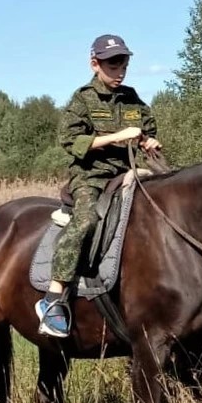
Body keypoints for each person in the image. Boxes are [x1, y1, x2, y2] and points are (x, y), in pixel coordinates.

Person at [35, 34, 162, 337]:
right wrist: (116, 137)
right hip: (91, 177)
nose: (120, 70)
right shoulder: (83, 99)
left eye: (124, 64)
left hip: (129, 172)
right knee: (87, 220)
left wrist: (148, 142)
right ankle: (54, 298)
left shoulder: (133, 99)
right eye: (113, 64)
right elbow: (70, 140)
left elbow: (147, 132)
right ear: (95, 64)